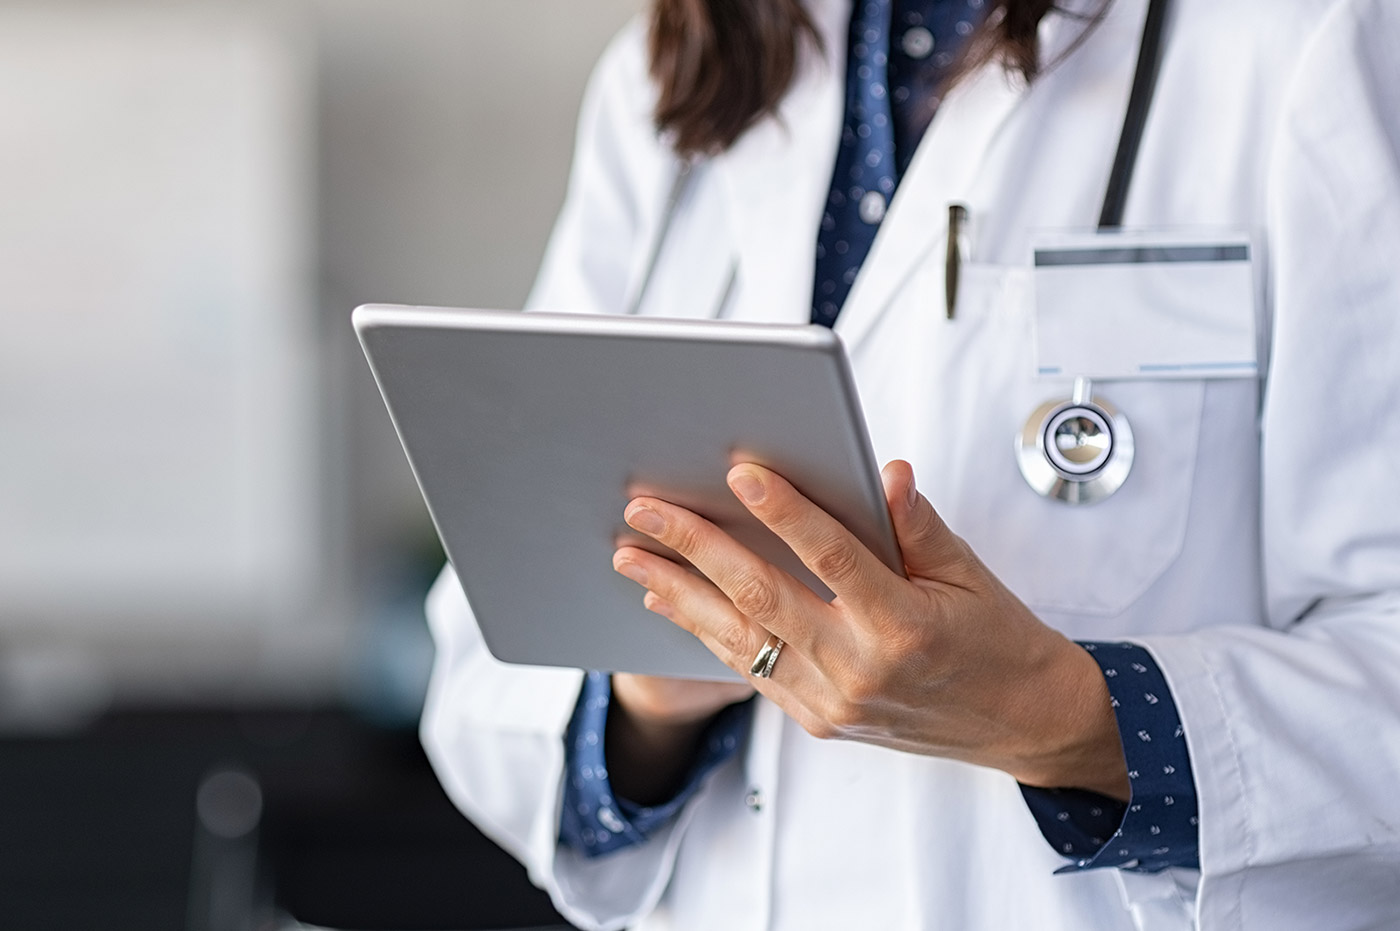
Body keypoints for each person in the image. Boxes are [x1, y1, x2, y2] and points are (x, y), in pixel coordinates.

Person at [420, 0, 1400, 927]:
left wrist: (1059, 716)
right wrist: (646, 700)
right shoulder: (668, 70)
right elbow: (488, 663)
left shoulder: (1312, 38)